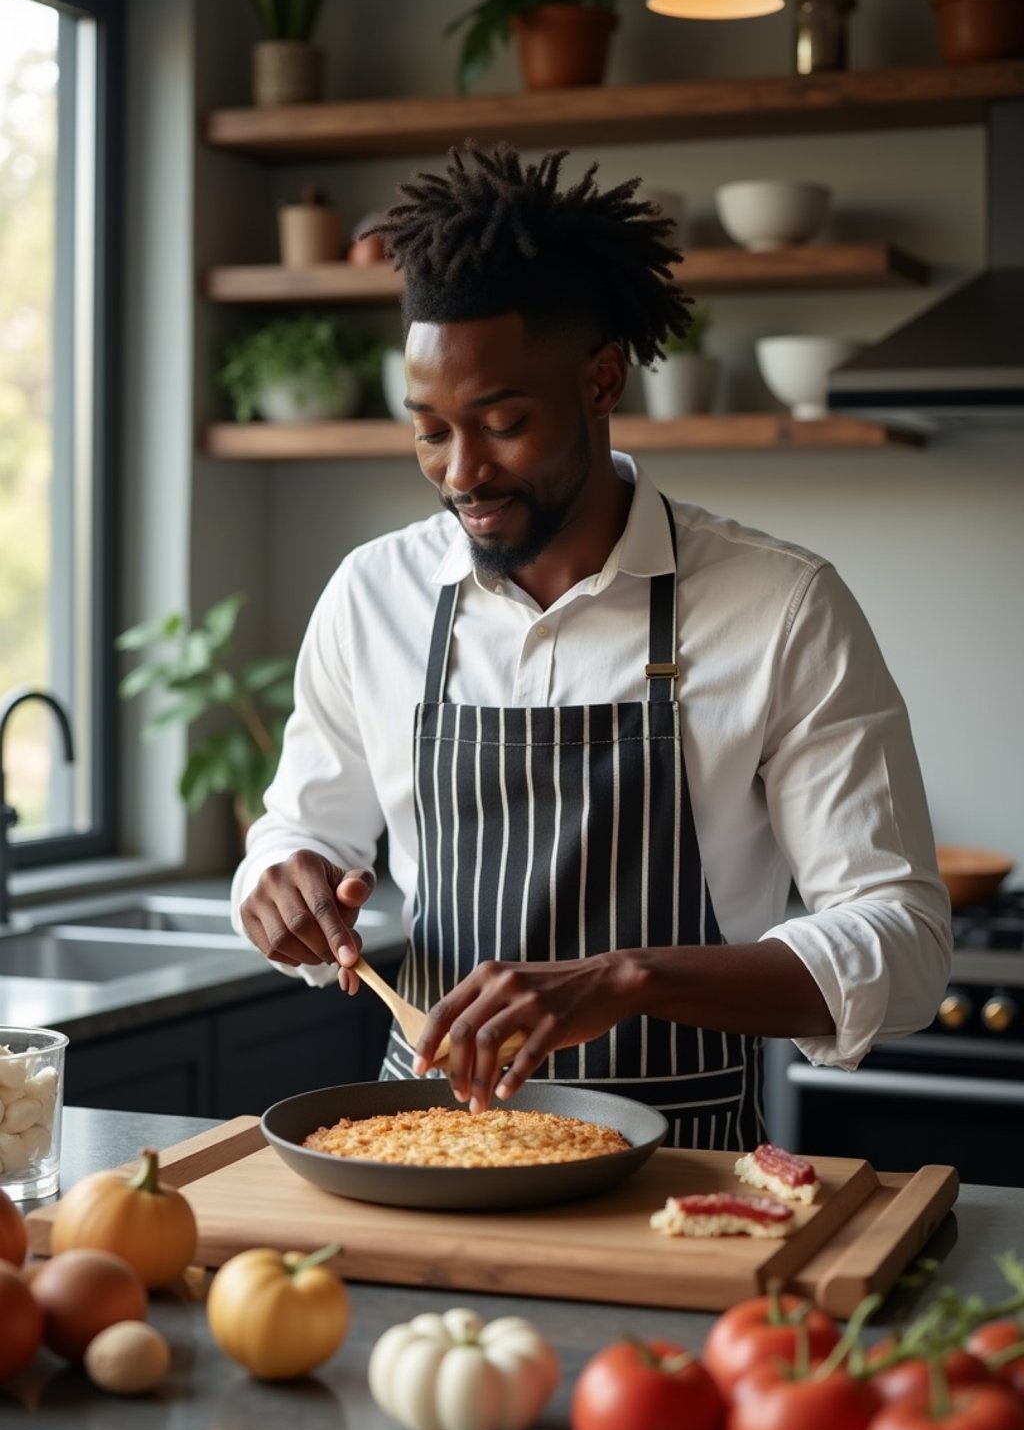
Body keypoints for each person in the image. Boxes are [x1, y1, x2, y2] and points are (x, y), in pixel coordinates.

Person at [230, 143, 951, 1148]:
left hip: (679, 1180)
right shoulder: (373, 595)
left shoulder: (781, 607)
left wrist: (628, 977)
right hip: (428, 1151)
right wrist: (283, 885)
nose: (460, 472)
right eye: (430, 429)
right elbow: (296, 835)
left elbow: (904, 949)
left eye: (503, 422)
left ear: (602, 379)